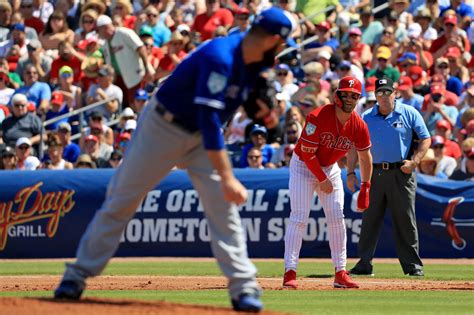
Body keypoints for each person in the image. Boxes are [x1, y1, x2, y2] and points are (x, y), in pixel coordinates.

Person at [54, 7, 298, 312]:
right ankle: (76, 275)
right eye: (282, 43)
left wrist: (265, 114)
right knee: (122, 199)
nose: (282, 49)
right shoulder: (221, 56)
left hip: (200, 137)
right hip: (163, 128)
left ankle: (244, 289)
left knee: (223, 210)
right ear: (273, 39)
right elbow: (209, 121)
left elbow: (250, 111)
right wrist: (227, 177)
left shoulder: (253, 65)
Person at [282, 76, 373, 290]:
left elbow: (365, 156)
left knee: (336, 218)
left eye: (354, 96)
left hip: (330, 167)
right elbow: (306, 152)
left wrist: (366, 186)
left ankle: (341, 273)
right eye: (346, 94)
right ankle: (290, 272)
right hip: (304, 165)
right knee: (299, 217)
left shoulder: (358, 124)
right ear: (337, 95)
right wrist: (321, 179)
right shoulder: (318, 116)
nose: (349, 99)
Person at [348, 77, 431, 277]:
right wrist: (350, 172)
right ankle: (364, 264)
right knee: (369, 220)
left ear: (395, 93)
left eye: (387, 92)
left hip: (400, 172)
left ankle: (412, 266)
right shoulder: (366, 116)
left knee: (405, 219)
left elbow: (425, 138)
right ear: (375, 96)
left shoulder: (409, 112)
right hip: (373, 172)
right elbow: (353, 145)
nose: (384, 97)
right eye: (380, 93)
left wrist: (414, 162)